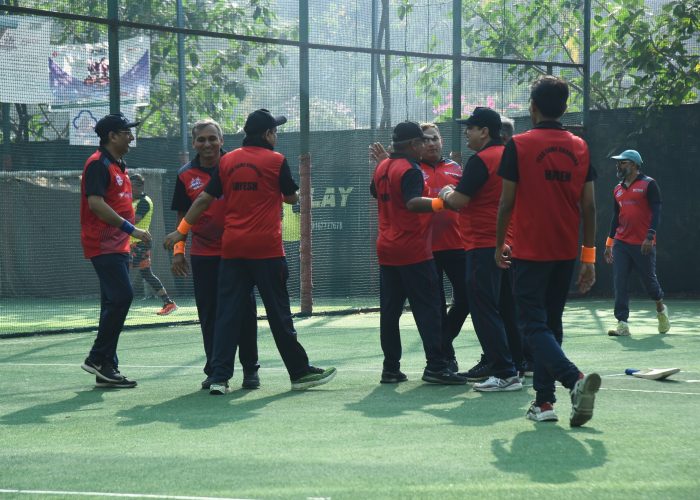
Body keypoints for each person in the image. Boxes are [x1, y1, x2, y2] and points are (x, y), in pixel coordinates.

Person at [164, 109, 336, 395]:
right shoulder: (276, 160)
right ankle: (299, 372)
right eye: (275, 132)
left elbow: (204, 199)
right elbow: (291, 196)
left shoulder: (227, 161)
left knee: (227, 315)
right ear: (268, 134)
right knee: (278, 315)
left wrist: (181, 232)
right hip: (266, 251)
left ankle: (219, 376)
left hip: (232, 251)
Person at [494, 75, 600, 426]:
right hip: (565, 251)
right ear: (565, 107)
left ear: (533, 107)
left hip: (529, 250)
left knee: (532, 326)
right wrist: (589, 257)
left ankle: (574, 381)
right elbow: (589, 208)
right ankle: (543, 404)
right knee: (550, 326)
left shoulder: (519, 145)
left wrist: (498, 246)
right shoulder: (580, 146)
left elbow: (506, 202)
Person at [370, 121, 466, 385]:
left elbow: (374, 192)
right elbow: (413, 203)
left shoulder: (383, 166)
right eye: (423, 140)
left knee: (390, 312)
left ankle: (390, 368)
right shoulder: (409, 169)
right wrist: (441, 202)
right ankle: (436, 366)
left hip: (387, 249)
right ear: (413, 145)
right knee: (429, 309)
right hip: (412, 250)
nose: (427, 144)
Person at [170, 119, 260, 390]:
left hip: (238, 252)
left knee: (244, 311)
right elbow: (182, 216)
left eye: (212, 138)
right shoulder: (185, 174)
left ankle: (250, 370)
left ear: (222, 140)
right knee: (209, 313)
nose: (207, 144)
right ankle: (215, 370)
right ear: (194, 143)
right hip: (204, 253)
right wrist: (178, 251)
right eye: (201, 140)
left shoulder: (236, 166)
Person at [438, 107, 522, 393]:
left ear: (485, 131)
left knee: (484, 309)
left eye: (471, 128)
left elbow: (459, 201)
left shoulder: (481, 160)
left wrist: (446, 192)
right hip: (507, 243)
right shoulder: (510, 156)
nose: (466, 132)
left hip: (483, 245)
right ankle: (516, 366)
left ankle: (504, 372)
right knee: (507, 309)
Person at [79, 112, 150, 389]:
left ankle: (107, 368)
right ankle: (97, 357)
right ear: (112, 136)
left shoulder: (119, 164)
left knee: (112, 302)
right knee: (122, 296)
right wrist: (132, 230)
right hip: (102, 243)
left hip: (118, 245)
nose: (131, 136)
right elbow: (96, 204)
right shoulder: (97, 164)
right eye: (126, 132)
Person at [605, 149, 669, 336]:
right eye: (618, 162)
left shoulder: (649, 184)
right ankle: (622, 324)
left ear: (633, 164)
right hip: (621, 243)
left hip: (643, 243)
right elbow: (616, 217)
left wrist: (649, 237)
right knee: (620, 282)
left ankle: (660, 309)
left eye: (622, 162)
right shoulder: (617, 189)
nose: (618, 165)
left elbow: (656, 212)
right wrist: (609, 243)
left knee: (650, 283)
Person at [129, 173, 177, 316]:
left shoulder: (144, 202)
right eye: (128, 187)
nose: (130, 190)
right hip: (133, 244)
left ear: (140, 187)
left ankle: (119, 303)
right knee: (146, 274)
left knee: (124, 271)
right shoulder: (131, 200)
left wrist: (116, 218)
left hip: (139, 244)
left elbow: (134, 221)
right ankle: (168, 302)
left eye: (132, 187)